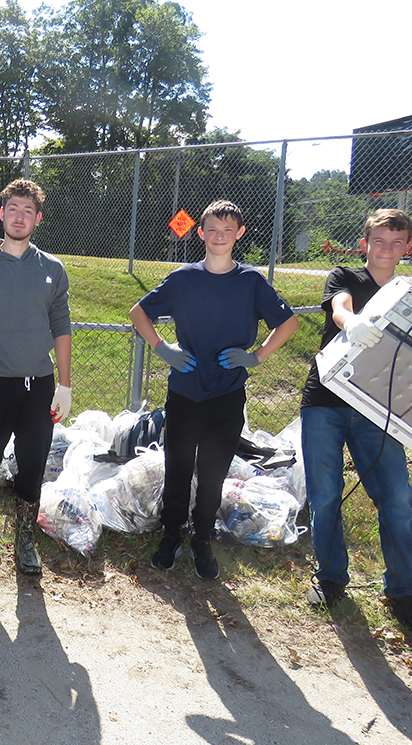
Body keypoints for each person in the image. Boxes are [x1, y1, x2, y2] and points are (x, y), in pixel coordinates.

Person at [130, 199, 298, 579]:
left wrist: (256, 356)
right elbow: (138, 312)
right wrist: (161, 347)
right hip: (186, 391)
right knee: (178, 467)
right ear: (200, 233)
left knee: (213, 473)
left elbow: (287, 324)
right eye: (212, 230)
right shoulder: (184, 278)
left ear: (239, 234)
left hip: (227, 394)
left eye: (227, 230)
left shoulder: (251, 282)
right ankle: (171, 533)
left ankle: (202, 537)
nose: (219, 237)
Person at [300, 208, 412, 633]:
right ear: (365, 244)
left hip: (378, 411)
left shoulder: (408, 297)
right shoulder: (345, 277)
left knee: (396, 498)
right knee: (325, 495)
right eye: (379, 241)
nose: (387, 249)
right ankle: (331, 577)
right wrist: (351, 322)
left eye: (396, 243)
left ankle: (402, 591)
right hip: (325, 401)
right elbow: (339, 307)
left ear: (407, 247)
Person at [0, 179, 72, 576]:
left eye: (28, 211)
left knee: (32, 462)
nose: (19, 217)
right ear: (1, 213)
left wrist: (65, 385)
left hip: (38, 384)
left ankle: (24, 537)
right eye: (13, 209)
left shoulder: (52, 268)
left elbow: (61, 326)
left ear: (38, 218)